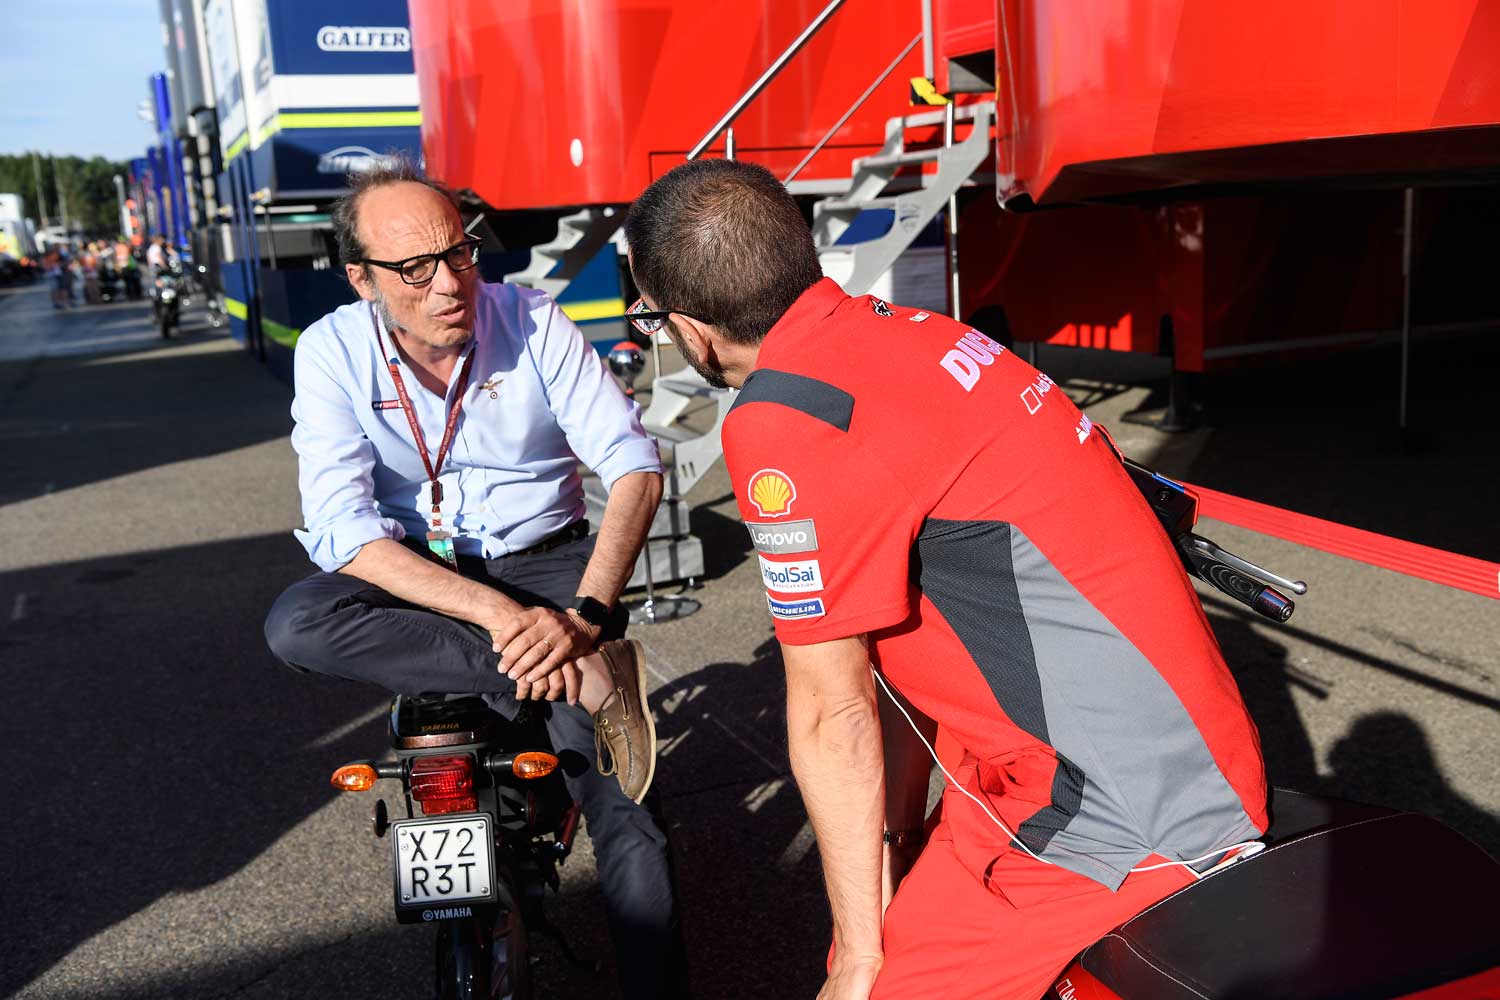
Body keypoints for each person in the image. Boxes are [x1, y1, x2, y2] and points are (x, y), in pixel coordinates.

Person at [624, 159, 1269, 1000]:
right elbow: (890, 655)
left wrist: (860, 954)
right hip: (1081, 757)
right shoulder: (912, 333)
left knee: (873, 983)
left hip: (1118, 806)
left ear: (691, 329)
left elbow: (831, 709)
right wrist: (893, 841)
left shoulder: (786, 417)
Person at [262, 159, 683, 998]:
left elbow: (633, 466)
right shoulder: (332, 351)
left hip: (550, 561)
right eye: (415, 268)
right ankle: (578, 679)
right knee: (294, 624)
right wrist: (513, 627)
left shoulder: (531, 319)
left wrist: (589, 609)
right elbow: (344, 528)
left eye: (459, 252)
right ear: (361, 278)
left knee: (625, 807)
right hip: (420, 573)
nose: (449, 281)